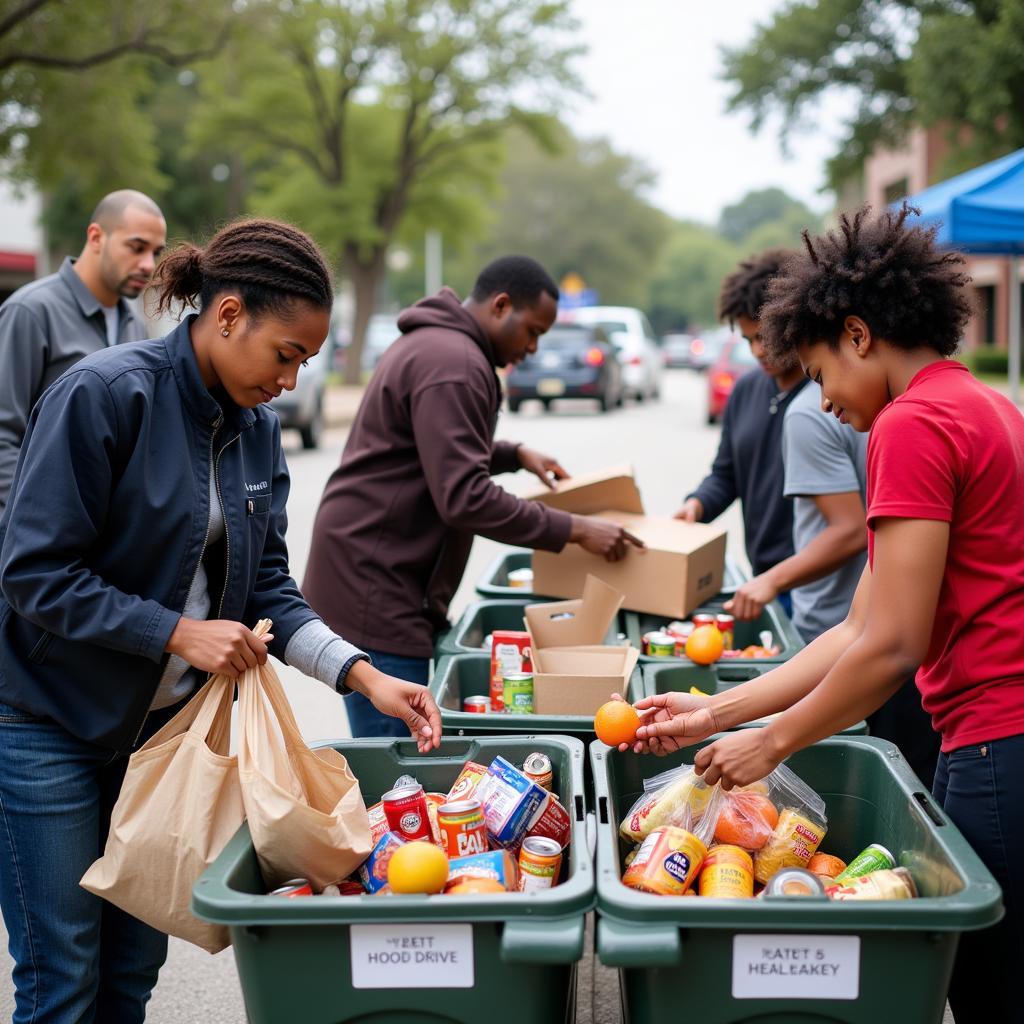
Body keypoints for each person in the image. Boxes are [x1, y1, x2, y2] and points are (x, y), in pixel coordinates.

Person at [0, 218, 441, 1024]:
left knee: (132, 972)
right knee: (63, 979)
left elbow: (268, 585)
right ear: (228, 314)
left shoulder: (256, 429)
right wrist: (174, 632)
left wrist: (366, 675)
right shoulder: (103, 394)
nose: (291, 381)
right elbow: (32, 573)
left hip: (165, 740)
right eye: (286, 356)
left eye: (306, 363)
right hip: (48, 721)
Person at [630, 205, 1024, 1024]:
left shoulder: (911, 425)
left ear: (858, 334)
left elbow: (890, 650)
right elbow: (856, 628)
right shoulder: (979, 404)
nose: (827, 402)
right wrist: (714, 712)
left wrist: (770, 744)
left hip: (999, 730)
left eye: (818, 374)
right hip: (984, 730)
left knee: (992, 991)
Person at [303, 255, 643, 737]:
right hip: (377, 585)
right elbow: (464, 496)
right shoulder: (455, 363)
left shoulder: (442, 349)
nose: (532, 347)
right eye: (533, 331)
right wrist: (577, 530)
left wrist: (515, 453)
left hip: (374, 570)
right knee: (398, 766)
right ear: (502, 305)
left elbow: (440, 448)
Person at [0, 189, 168, 509]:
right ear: (96, 237)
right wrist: (31, 523)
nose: (148, 264)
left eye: (156, 252)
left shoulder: (135, 326)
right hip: (40, 535)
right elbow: (3, 434)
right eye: (136, 247)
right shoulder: (30, 311)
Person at [675, 250, 809, 617]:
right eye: (749, 339)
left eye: (765, 336)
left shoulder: (829, 398)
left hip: (813, 584)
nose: (758, 351)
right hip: (763, 580)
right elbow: (726, 473)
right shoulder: (746, 390)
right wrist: (697, 505)